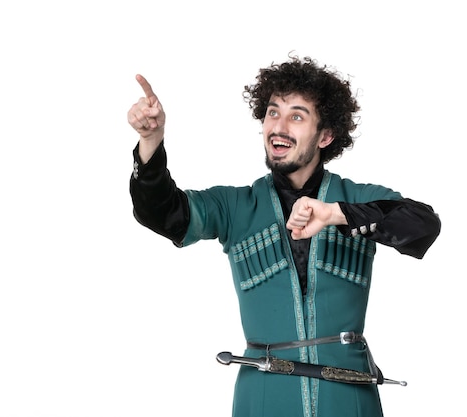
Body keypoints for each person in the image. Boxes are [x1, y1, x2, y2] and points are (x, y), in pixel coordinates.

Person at [126, 55, 441, 417]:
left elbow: (423, 226)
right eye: (273, 113)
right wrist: (150, 143)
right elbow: (163, 213)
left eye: (296, 116)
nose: (278, 126)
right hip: (263, 397)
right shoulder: (234, 206)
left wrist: (337, 213)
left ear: (326, 135)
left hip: (350, 397)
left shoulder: (357, 198)